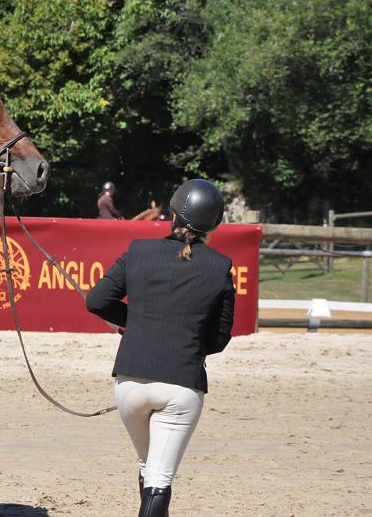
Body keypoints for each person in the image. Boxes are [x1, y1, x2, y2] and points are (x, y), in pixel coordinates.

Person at [85, 179, 234, 516]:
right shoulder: (219, 267)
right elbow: (219, 339)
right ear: (214, 224)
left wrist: (137, 324)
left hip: (129, 384)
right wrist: (185, 338)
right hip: (181, 385)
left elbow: (97, 301)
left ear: (172, 213)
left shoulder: (138, 250)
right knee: (160, 478)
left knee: (147, 464)